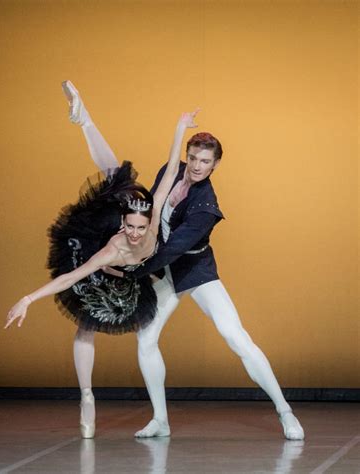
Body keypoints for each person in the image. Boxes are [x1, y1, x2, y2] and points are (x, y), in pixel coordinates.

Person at [66, 82, 305, 441]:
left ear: (216, 165)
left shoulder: (206, 207)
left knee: (235, 337)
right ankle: (160, 420)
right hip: (161, 272)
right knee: (146, 341)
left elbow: (172, 249)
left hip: (193, 269)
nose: (195, 166)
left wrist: (128, 270)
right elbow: (154, 213)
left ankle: (285, 412)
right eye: (193, 158)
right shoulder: (171, 171)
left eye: (204, 161)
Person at [4, 85, 201, 439]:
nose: (138, 234)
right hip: (107, 265)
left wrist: (179, 126)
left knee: (119, 178)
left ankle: (84, 120)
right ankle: (86, 396)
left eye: (142, 228)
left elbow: (172, 170)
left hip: (134, 275)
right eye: (131, 228)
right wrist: (28, 299)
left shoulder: (152, 218)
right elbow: (71, 277)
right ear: (122, 224)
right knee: (86, 323)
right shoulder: (111, 247)